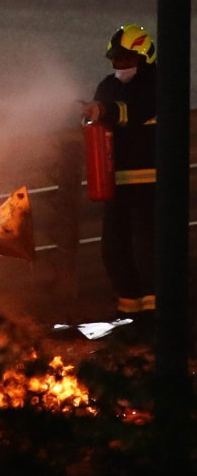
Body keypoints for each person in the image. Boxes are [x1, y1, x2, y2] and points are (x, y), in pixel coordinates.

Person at [79, 24, 157, 326]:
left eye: (125, 60)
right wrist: (88, 115)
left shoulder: (158, 82)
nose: (118, 66)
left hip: (153, 181)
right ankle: (129, 314)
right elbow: (101, 117)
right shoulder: (108, 85)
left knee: (150, 249)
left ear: (144, 56)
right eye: (115, 60)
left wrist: (104, 111)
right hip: (117, 181)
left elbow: (134, 110)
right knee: (113, 248)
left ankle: (157, 318)